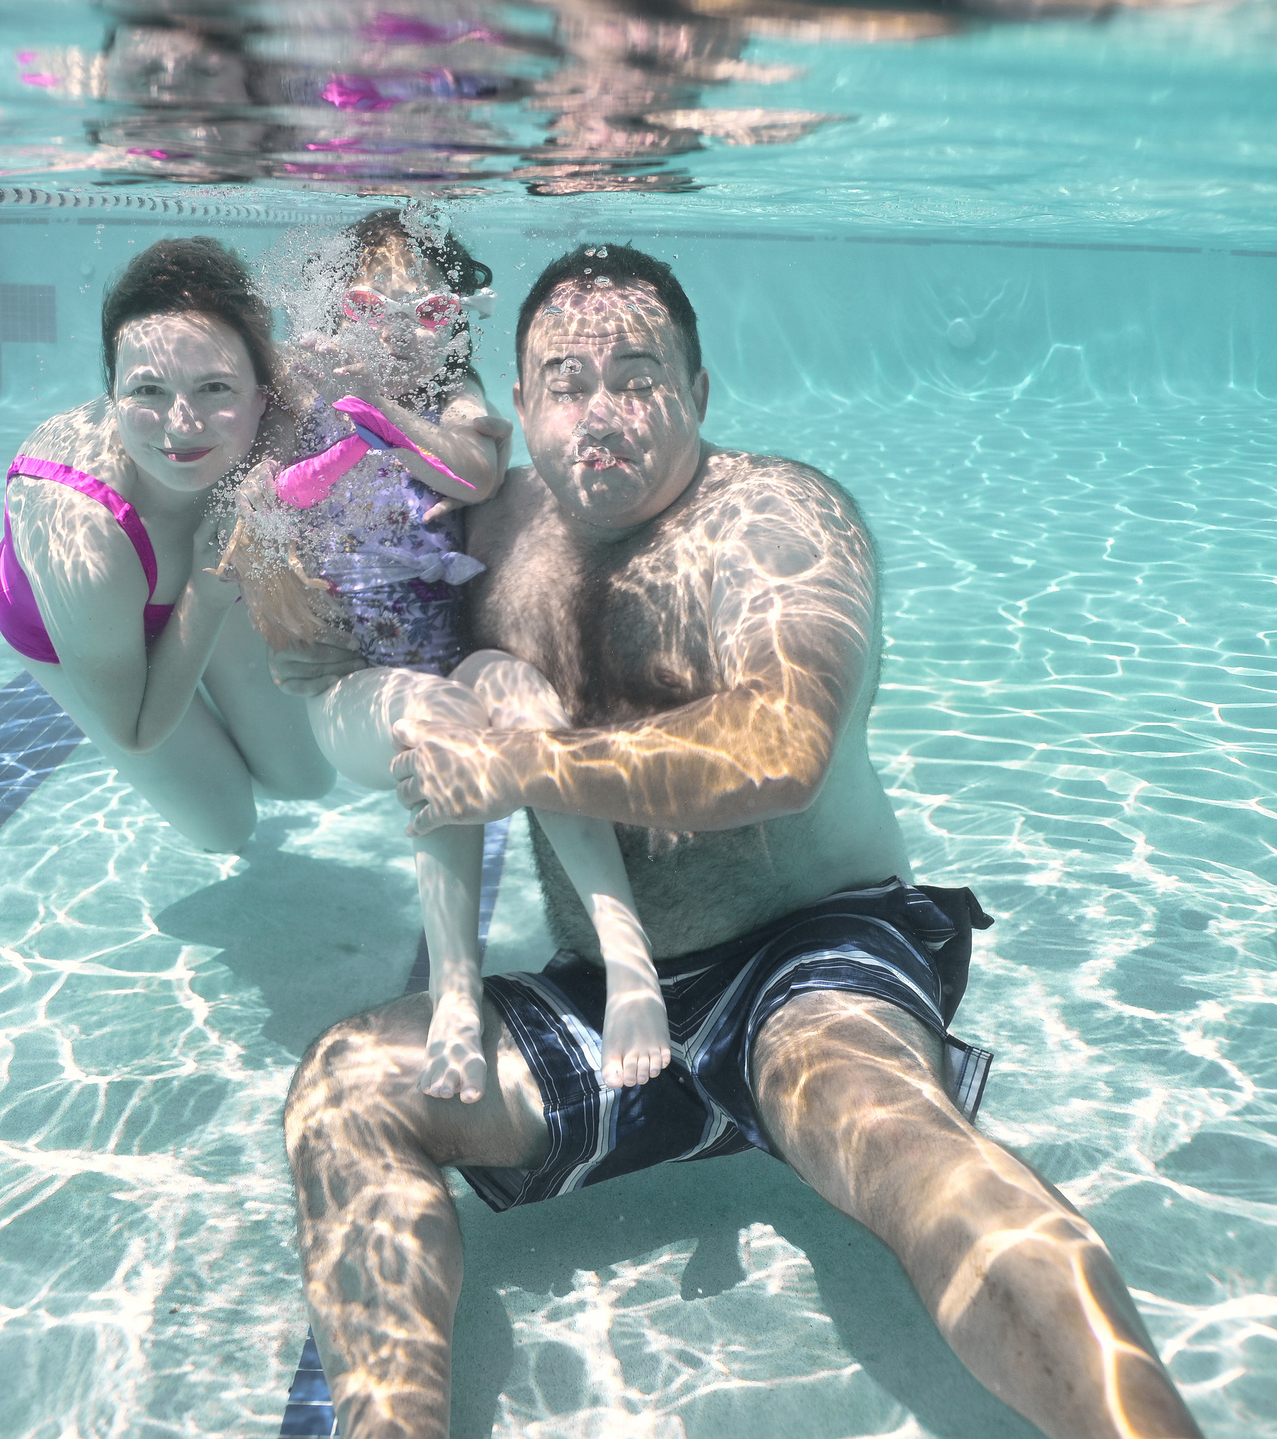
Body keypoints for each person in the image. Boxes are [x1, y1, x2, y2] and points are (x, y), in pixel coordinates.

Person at [277, 243, 1206, 1438]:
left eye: (637, 373)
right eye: (564, 379)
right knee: (346, 1087)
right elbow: (324, 632)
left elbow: (782, 747)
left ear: (701, 393)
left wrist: (516, 763)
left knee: (895, 1133)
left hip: (806, 953)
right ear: (519, 402)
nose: (599, 409)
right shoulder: (494, 536)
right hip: (612, 1004)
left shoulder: (771, 516)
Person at [230, 210, 673, 1101]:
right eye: (367, 309)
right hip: (349, 686)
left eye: (423, 316)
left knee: (529, 702)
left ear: (448, 321)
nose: (394, 336)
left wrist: (380, 410)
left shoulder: (452, 390)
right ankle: (456, 997)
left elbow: (471, 471)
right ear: (337, 312)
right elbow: (261, 499)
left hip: (452, 654)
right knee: (440, 722)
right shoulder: (294, 392)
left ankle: (633, 969)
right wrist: (326, 417)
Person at [0, 236, 333, 853]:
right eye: (147, 391)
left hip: (207, 569)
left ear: (260, 395)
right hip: (78, 621)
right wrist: (208, 582)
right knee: (227, 828)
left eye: (215, 389)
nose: (182, 426)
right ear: (114, 392)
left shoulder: (279, 409)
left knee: (306, 779)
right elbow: (136, 728)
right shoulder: (85, 537)